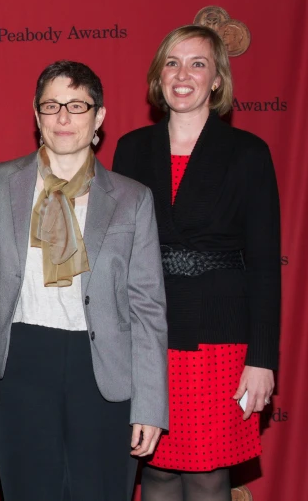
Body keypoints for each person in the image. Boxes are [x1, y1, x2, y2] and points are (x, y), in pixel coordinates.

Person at [112, 25, 280, 501]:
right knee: (157, 471)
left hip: (220, 343)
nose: (182, 74)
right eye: (172, 62)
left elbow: (265, 265)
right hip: (150, 335)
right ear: (158, 77)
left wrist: (262, 360)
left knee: (208, 475)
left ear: (217, 81)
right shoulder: (131, 149)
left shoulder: (248, 153)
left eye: (197, 64)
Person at [0, 60, 169, 501]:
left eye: (77, 105)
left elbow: (147, 307)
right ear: (36, 115)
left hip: (103, 371)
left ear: (99, 116)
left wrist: (150, 405)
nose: (64, 118)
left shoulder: (132, 199)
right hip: (21, 364)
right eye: (51, 105)